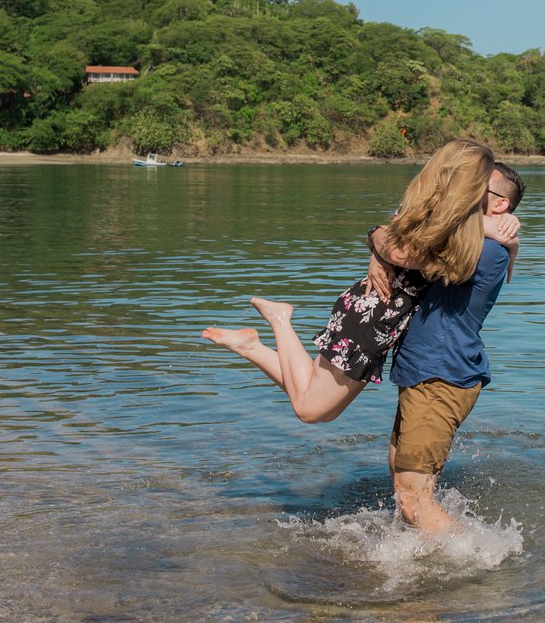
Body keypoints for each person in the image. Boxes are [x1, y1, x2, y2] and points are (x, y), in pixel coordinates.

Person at [202, 140, 520, 424]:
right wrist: (492, 232)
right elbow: (405, 251)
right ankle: (278, 321)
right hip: (375, 314)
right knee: (310, 409)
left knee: (316, 403)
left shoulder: (430, 212)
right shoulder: (439, 220)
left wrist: (505, 237)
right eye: (480, 182)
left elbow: (407, 237)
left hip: (379, 313)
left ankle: (252, 343)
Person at [380, 162, 524, 532]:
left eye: (477, 185)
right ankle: (426, 556)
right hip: (426, 371)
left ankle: (477, 560)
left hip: (441, 376)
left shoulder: (487, 250)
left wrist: (377, 243)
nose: (463, 188)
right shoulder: (480, 237)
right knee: (403, 482)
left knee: (412, 498)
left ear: (500, 204)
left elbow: (404, 244)